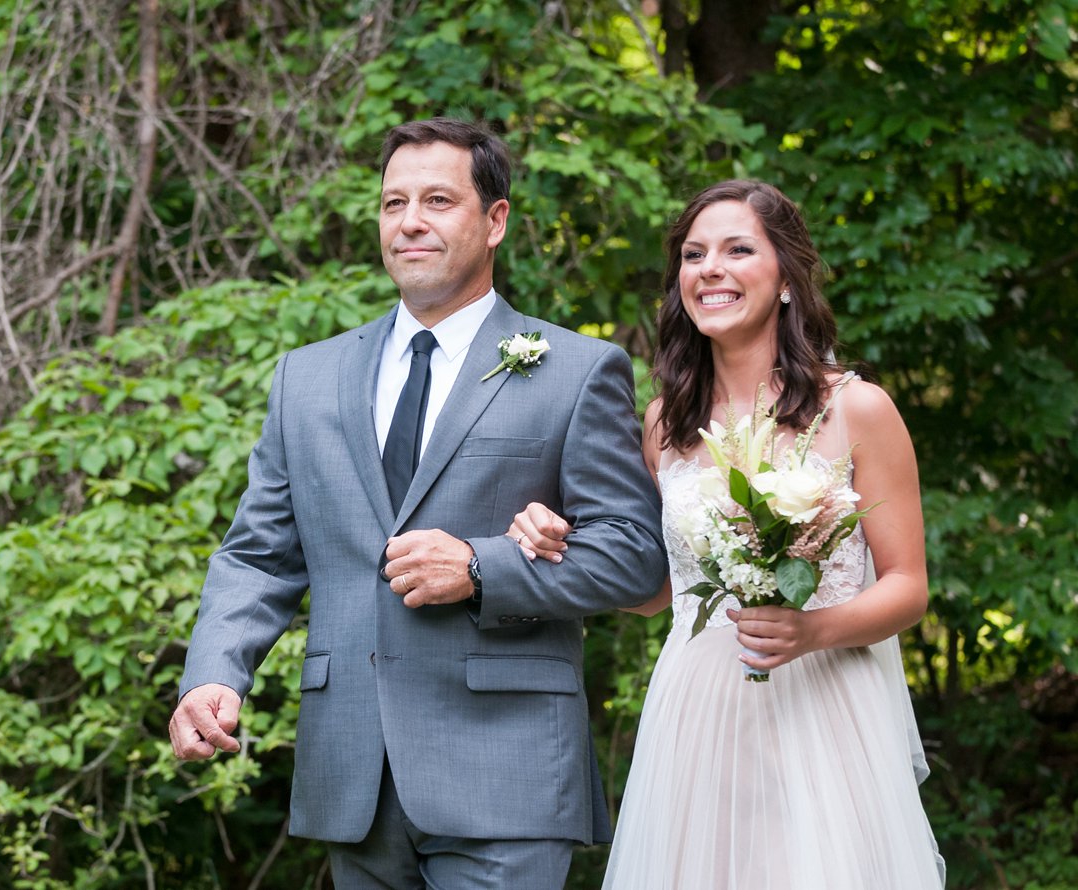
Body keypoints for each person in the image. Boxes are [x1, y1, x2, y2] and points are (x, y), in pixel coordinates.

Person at [166, 118, 667, 889]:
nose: (410, 222)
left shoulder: (575, 369)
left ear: (495, 221)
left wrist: (480, 566)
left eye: (438, 200)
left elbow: (636, 559)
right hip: (352, 776)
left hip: (508, 773)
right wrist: (214, 675)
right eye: (393, 202)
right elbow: (259, 555)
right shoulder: (307, 377)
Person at [505, 179, 944, 888]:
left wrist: (812, 631)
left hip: (826, 706)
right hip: (698, 708)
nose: (709, 268)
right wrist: (560, 543)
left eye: (738, 250)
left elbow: (909, 588)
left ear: (787, 281)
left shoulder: (858, 409)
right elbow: (653, 592)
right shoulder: (662, 425)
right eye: (693, 254)